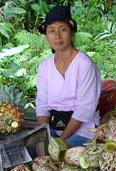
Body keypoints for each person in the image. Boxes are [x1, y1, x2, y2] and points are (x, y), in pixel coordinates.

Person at [36, 6, 102, 148]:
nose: (57, 36)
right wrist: (46, 137)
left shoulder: (84, 64)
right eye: (51, 31)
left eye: (63, 29)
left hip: (83, 130)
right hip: (54, 129)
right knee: (33, 152)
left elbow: (84, 110)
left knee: (62, 158)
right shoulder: (44, 67)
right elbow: (42, 106)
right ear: (46, 36)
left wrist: (60, 143)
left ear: (71, 33)